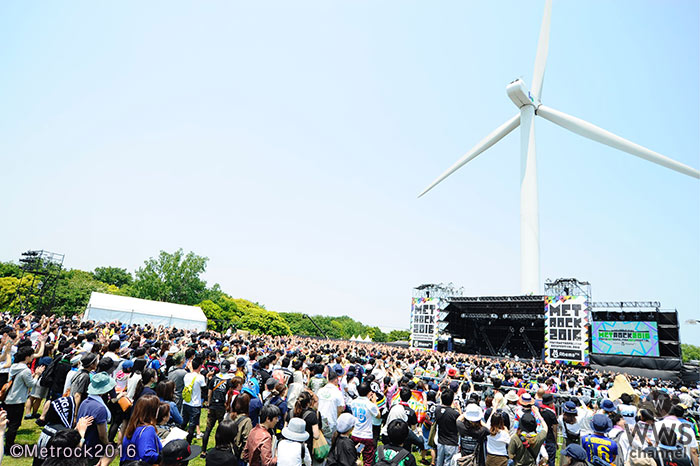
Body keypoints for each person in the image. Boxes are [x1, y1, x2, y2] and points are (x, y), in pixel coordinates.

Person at [4, 345, 46, 447]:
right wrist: (37, 374)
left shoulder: (14, 366)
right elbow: (31, 384)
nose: (33, 357)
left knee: (6, 423)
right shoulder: (25, 370)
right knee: (14, 425)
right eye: (32, 355)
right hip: (17, 401)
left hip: (8, 398)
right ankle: (9, 447)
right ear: (27, 357)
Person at [76, 372, 117, 465]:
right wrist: (107, 445)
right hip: (93, 448)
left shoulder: (85, 402)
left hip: (81, 444)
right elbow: (102, 434)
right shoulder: (100, 408)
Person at [121, 395, 163, 465]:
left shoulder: (133, 426)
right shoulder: (149, 429)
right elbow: (147, 454)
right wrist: (162, 458)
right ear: (153, 411)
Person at [351, 382, 380, 466]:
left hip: (356, 433)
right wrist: (374, 402)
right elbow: (378, 415)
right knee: (368, 460)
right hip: (366, 436)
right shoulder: (370, 405)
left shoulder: (353, 402)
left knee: (355, 456)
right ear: (369, 392)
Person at [181, 357, 207, 444]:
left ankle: (179, 438)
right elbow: (204, 390)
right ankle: (188, 444)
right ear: (200, 366)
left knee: (184, 422)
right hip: (195, 404)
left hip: (186, 402)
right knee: (192, 425)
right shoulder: (200, 377)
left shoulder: (186, 376)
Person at [317, 370, 346, 443]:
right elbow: (340, 409)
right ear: (336, 380)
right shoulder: (337, 393)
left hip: (320, 419)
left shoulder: (320, 390)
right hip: (331, 420)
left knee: (320, 440)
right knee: (330, 442)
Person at [435, 389, 460, 466]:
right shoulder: (454, 414)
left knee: (439, 461)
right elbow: (461, 422)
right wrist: (458, 409)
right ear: (452, 400)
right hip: (451, 442)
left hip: (440, 440)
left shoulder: (437, 410)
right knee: (448, 463)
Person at [539, 393, 558, 466]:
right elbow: (555, 429)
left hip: (541, 437)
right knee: (551, 460)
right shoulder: (551, 414)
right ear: (550, 403)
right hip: (550, 439)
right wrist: (555, 441)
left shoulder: (539, 412)